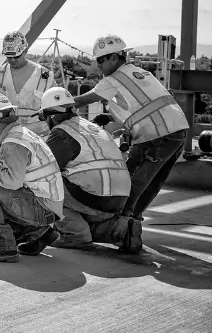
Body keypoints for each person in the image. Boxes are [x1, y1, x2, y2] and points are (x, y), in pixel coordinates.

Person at [72, 34, 189, 223]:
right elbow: (142, 106)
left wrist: (52, 104)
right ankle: (133, 219)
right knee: (153, 180)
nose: (98, 65)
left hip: (156, 134)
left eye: (101, 60)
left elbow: (82, 100)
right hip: (178, 130)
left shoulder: (113, 79)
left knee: (128, 179)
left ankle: (118, 222)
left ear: (113, 57)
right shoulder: (138, 72)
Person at [39, 87, 142, 252]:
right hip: (118, 199)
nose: (44, 122)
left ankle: (75, 235)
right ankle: (119, 230)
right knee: (81, 211)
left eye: (43, 117)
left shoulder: (62, 132)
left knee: (41, 184)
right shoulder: (95, 128)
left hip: (92, 196)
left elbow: (43, 170)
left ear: (51, 116)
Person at [0, 93, 64, 263]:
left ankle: (1, 245)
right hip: (47, 208)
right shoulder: (22, 134)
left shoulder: (14, 142)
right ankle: (40, 234)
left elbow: (12, 181)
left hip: (42, 208)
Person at [0, 31, 56, 135]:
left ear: (25, 50)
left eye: (16, 56)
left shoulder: (44, 77)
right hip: (8, 135)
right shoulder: (0, 75)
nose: (12, 60)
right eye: (8, 56)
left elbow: (57, 108)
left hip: (39, 135)